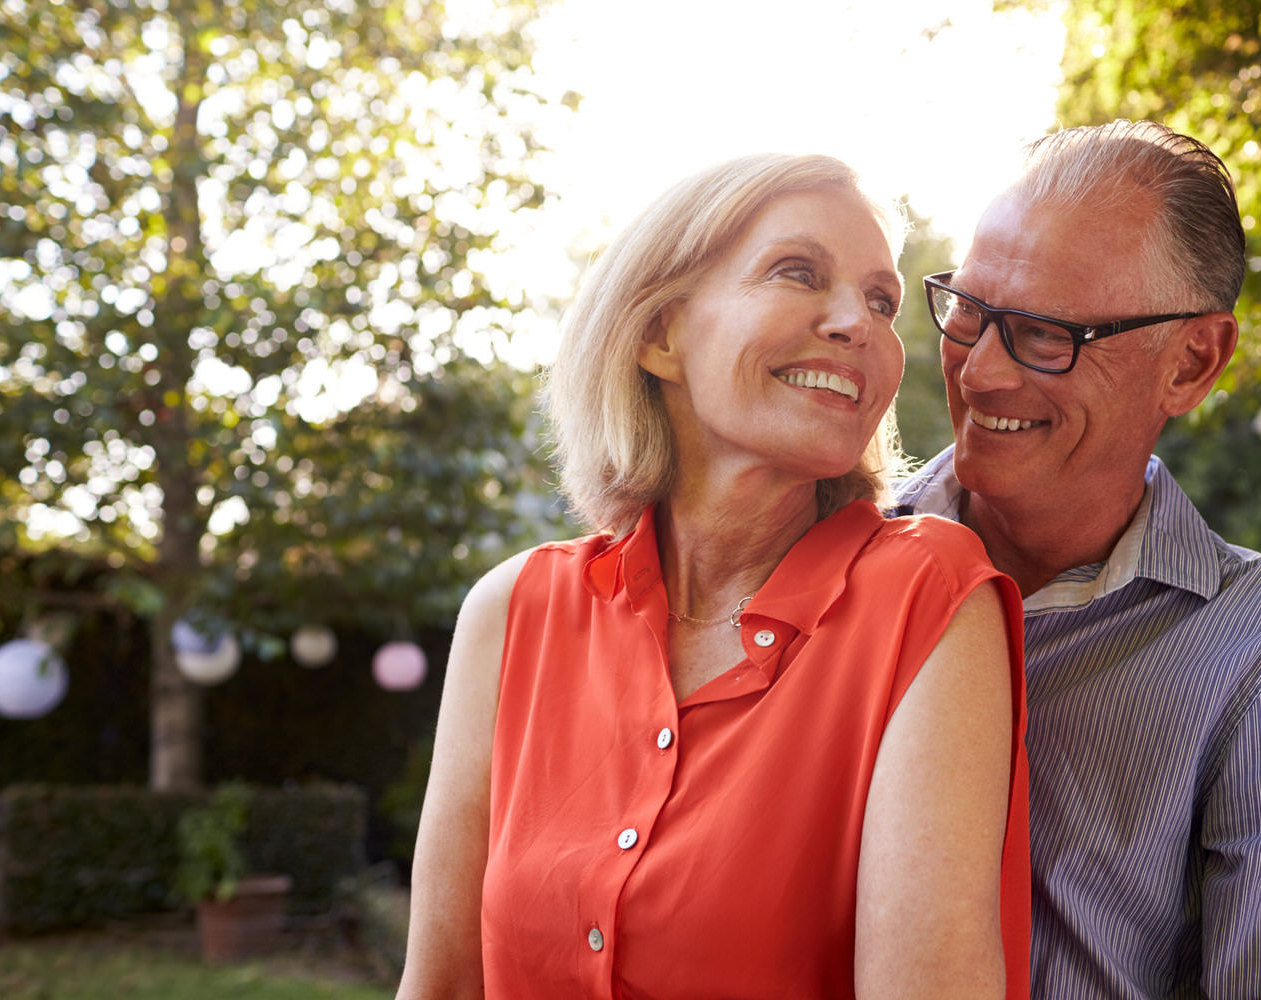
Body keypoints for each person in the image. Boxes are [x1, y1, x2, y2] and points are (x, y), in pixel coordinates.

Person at [396, 153, 1031, 999]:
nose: (861, 324)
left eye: (881, 301)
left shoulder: (930, 595)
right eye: (799, 273)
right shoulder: (512, 611)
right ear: (661, 335)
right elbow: (439, 987)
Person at [895, 119, 1261, 996]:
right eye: (968, 310)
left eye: (1041, 333)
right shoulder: (821, 563)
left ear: (1191, 362)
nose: (980, 372)